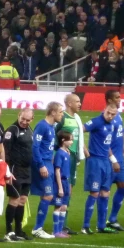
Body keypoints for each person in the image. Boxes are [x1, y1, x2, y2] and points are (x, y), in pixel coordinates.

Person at [82, 104, 120, 234]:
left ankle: (101, 226)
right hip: (95, 161)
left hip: (106, 161)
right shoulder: (96, 121)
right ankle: (85, 226)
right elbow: (79, 130)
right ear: (104, 110)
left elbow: (107, 144)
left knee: (105, 193)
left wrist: (113, 160)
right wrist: (83, 148)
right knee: (94, 193)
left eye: (113, 114)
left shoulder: (112, 125)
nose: (110, 116)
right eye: (108, 113)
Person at [31, 102, 63, 239]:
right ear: (53, 112)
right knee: (48, 195)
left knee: (47, 195)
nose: (62, 114)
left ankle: (39, 227)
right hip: (43, 164)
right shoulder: (42, 126)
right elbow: (35, 147)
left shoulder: (51, 127)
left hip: (48, 162)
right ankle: (37, 228)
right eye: (60, 112)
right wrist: (41, 165)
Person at [53, 93, 85, 235]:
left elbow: (77, 138)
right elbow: (54, 136)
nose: (80, 104)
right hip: (66, 158)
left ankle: (63, 224)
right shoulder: (63, 118)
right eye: (77, 101)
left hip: (73, 158)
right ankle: (61, 225)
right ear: (69, 103)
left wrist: (83, 150)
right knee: (66, 189)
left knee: (70, 189)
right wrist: (57, 154)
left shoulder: (76, 118)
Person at [3, 108, 33, 241]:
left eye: (28, 120)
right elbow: (5, 151)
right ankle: (9, 231)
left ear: (32, 119)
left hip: (27, 171)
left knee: (22, 200)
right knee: (14, 199)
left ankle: (18, 230)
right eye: (23, 119)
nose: (24, 122)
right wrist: (7, 171)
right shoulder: (12, 130)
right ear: (19, 115)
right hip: (15, 170)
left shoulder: (30, 130)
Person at [105, 89, 124, 232]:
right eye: (117, 97)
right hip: (109, 159)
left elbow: (119, 137)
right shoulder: (107, 117)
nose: (120, 99)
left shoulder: (118, 116)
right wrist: (113, 158)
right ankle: (101, 222)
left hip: (119, 158)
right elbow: (105, 141)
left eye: (120, 97)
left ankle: (112, 219)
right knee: (103, 192)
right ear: (109, 100)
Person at [51, 131, 73, 238]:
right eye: (70, 139)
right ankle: (56, 231)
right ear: (63, 140)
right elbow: (57, 171)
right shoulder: (59, 153)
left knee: (64, 206)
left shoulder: (67, 152)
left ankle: (60, 230)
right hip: (60, 182)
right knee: (58, 206)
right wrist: (60, 187)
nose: (72, 142)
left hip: (66, 181)